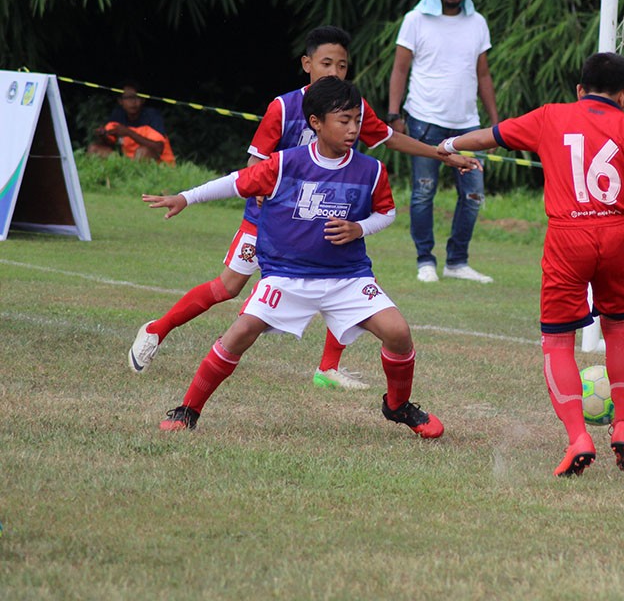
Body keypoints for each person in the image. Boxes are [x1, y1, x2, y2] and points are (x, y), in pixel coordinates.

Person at [128, 25, 477, 390]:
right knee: (228, 287)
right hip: (270, 220)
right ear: (307, 64)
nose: (335, 73)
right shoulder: (283, 107)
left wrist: (443, 153)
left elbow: (390, 139)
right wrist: (221, 193)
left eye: (342, 66)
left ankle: (327, 368)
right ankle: (156, 329)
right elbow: (254, 164)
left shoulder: (350, 106)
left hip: (323, 215)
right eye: (327, 64)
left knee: (345, 279)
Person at [141, 76, 444, 438]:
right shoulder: (285, 163)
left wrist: (359, 228)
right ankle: (188, 409)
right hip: (285, 274)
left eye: (357, 121)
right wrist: (186, 197)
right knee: (239, 333)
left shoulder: (371, 169)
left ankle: (398, 406)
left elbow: (387, 212)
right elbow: (236, 181)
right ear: (315, 123)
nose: (352, 129)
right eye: (343, 121)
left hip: (347, 276)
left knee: (398, 332)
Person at [435, 52, 624, 477]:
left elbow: (491, 136)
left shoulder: (551, 116)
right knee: (618, 328)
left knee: (558, 341)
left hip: (568, 236)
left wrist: (449, 145)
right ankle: (623, 426)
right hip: (616, 231)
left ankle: (577, 438)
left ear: (579, 90)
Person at [388, 0, 499, 284]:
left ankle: (457, 261)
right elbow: (400, 70)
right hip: (424, 120)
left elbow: (483, 74)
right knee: (424, 192)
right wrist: (395, 115)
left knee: (474, 195)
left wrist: (495, 124)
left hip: (468, 123)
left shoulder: (476, 21)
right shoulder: (416, 19)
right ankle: (425, 260)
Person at [88, 81, 176, 164]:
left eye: (137, 97)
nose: (133, 102)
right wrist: (103, 136)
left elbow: (158, 148)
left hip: (159, 164)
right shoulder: (118, 115)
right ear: (120, 101)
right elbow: (109, 142)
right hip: (128, 162)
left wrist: (128, 132)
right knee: (94, 148)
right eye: (129, 98)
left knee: (143, 152)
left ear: (143, 100)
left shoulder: (152, 116)